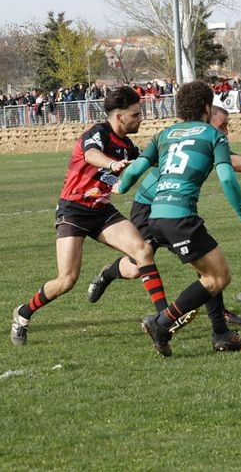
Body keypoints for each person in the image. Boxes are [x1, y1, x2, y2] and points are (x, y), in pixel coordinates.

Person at [86, 105, 241, 332]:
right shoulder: (198, 136)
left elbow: (228, 160)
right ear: (207, 116)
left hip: (171, 210)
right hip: (148, 206)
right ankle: (109, 274)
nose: (226, 131)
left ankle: (218, 321)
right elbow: (231, 162)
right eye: (222, 125)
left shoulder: (199, 137)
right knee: (137, 267)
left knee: (205, 259)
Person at [114, 80, 241, 356]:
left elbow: (136, 169)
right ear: (207, 107)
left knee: (210, 270)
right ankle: (162, 323)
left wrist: (120, 187)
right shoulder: (213, 135)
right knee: (218, 277)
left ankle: (220, 333)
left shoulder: (164, 134)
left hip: (156, 214)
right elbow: (227, 177)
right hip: (180, 217)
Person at [10, 86, 168, 346]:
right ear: (119, 117)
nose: (141, 118)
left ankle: (165, 318)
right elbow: (91, 154)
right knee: (67, 280)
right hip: (73, 211)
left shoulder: (127, 146)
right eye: (136, 114)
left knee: (143, 252)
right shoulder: (98, 133)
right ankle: (23, 313)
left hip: (102, 212)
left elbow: (151, 160)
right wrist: (111, 164)